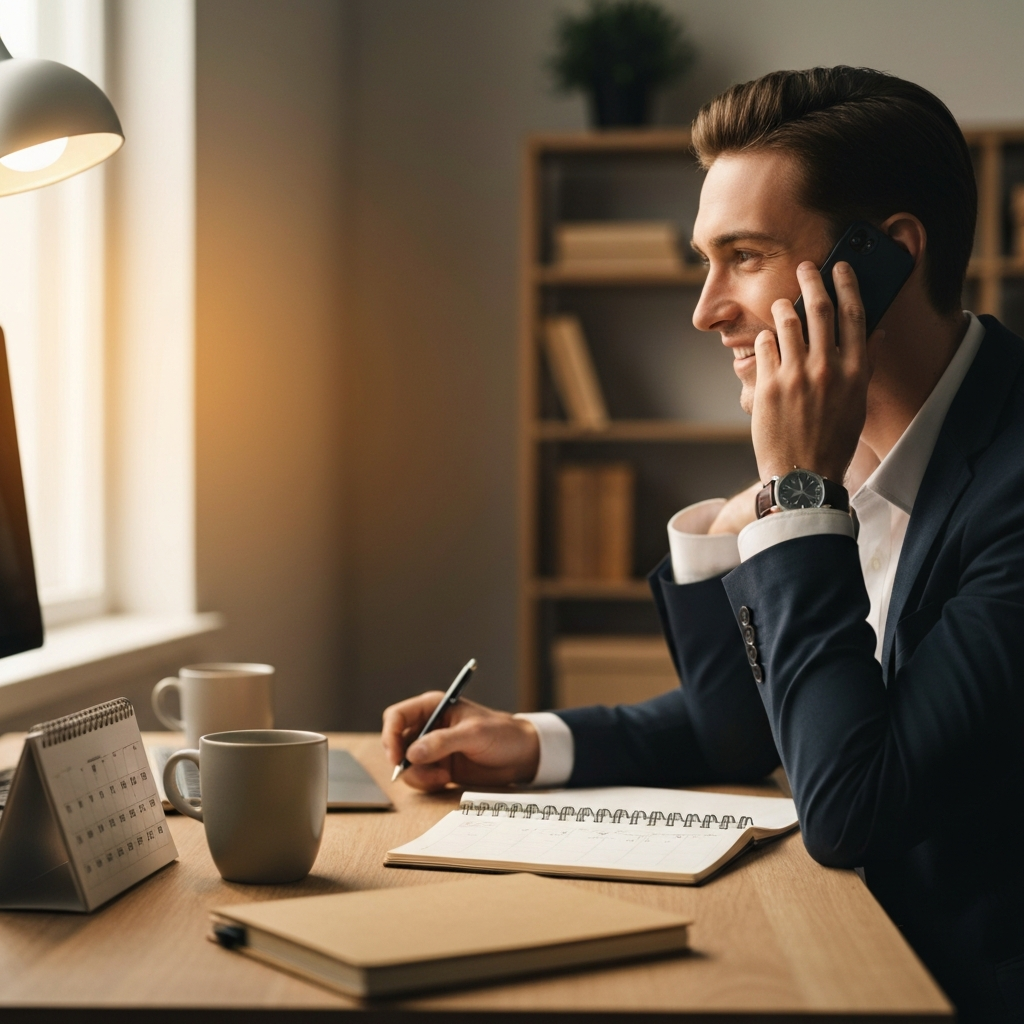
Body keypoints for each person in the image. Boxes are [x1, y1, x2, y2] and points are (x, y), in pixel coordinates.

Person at [381, 67, 1024, 1021]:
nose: (706, 308)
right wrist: (534, 743)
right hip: (843, 948)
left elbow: (850, 807)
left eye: (746, 256)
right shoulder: (847, 451)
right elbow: (757, 731)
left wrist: (794, 500)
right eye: (704, 260)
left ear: (886, 258)